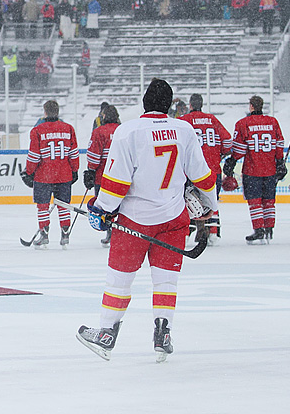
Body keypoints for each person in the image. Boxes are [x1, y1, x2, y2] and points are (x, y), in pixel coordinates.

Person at [77, 79, 218, 361]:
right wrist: (209, 210)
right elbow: (204, 178)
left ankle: (107, 333)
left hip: (134, 222)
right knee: (166, 281)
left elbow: (117, 183)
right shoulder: (184, 129)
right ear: (168, 104)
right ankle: (162, 333)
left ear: (144, 102)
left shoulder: (128, 131)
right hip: (173, 219)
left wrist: (101, 209)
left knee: (119, 280)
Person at [224, 95, 285, 244]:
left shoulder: (243, 123)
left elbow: (239, 149)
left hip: (252, 170)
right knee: (269, 201)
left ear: (251, 106)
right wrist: (280, 161)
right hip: (270, 168)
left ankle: (259, 230)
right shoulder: (273, 122)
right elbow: (279, 143)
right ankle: (269, 229)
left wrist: (231, 161)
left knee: (255, 201)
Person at [21, 100, 79, 248]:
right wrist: (75, 170)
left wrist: (29, 172)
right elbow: (73, 153)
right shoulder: (68, 129)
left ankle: (44, 234)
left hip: (43, 175)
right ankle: (65, 234)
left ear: (45, 112)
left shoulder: (37, 130)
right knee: (64, 205)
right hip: (64, 173)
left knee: (42, 206)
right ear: (58, 112)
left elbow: (34, 155)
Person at [180, 93, 231, 243]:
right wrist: (219, 154)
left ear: (190, 105)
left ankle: (188, 233)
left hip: (192, 170)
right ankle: (213, 232)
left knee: (190, 201)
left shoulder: (185, 121)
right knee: (211, 200)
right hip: (213, 169)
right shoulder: (212, 119)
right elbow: (227, 142)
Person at [84, 104, 120, 246]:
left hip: (103, 177)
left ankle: (110, 232)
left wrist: (90, 171)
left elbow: (93, 156)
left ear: (104, 116)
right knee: (122, 206)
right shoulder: (123, 130)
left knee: (106, 207)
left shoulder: (99, 132)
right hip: (122, 177)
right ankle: (122, 232)